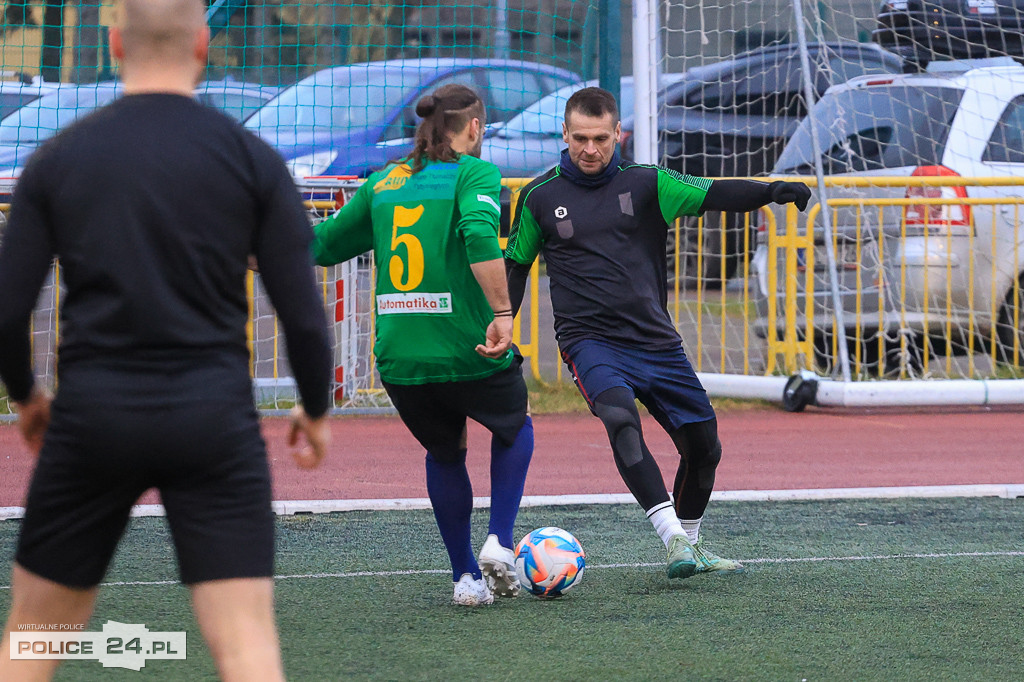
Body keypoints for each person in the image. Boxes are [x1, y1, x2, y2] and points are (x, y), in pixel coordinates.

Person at [0, 0, 333, 679]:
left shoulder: (59, 159)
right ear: (203, 44)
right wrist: (316, 409)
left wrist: (28, 397)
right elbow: (303, 316)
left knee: (30, 644)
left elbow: (6, 314)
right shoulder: (254, 160)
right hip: (212, 421)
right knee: (246, 648)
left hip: (94, 417)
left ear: (116, 44)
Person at [504, 87, 811, 580]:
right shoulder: (539, 197)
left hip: (656, 342)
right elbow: (516, 265)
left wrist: (771, 189)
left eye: (600, 138)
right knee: (620, 420)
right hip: (589, 341)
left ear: (617, 134)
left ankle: (691, 544)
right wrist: (502, 325)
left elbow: (714, 192)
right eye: (579, 138)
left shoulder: (647, 183)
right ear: (564, 134)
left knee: (704, 450)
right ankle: (671, 540)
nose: (589, 149)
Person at [312, 83, 534, 607]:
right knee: (514, 427)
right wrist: (502, 313)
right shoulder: (474, 172)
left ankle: (465, 580)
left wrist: (246, 242)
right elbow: (481, 237)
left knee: (443, 451)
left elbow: (319, 247)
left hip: (400, 355)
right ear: (474, 128)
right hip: (465, 347)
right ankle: (500, 540)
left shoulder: (384, 181)